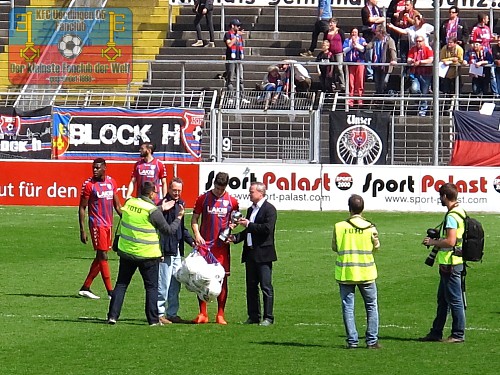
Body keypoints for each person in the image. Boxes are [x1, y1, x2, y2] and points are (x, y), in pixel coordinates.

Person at [107, 181, 184, 326]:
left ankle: (112, 316)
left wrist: (161, 207)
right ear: (151, 193)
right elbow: (168, 230)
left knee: (121, 284)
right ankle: (153, 320)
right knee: (151, 287)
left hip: (127, 252)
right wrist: (179, 217)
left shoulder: (129, 203)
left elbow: (142, 215)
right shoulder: (152, 210)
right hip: (147, 255)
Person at [332, 194, 381, 349]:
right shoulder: (370, 227)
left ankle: (352, 341)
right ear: (363, 208)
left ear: (349, 208)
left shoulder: (339, 226)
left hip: (346, 272)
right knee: (371, 306)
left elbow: (335, 247)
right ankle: (372, 341)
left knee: (348, 307)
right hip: (366, 273)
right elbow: (376, 247)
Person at [191, 171, 239, 324]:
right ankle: (203, 313)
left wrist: (232, 226)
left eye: (221, 189)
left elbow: (235, 219)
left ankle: (220, 314)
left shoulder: (232, 201)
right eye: (217, 188)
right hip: (205, 247)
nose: (219, 191)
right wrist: (197, 234)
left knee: (222, 280)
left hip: (221, 248)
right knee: (201, 279)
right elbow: (194, 219)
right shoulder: (203, 198)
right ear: (213, 185)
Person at [420, 183, 466, 343]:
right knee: (443, 299)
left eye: (441, 196)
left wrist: (433, 242)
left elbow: (451, 241)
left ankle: (458, 334)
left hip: (450, 263)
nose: (440, 199)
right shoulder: (460, 211)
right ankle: (436, 332)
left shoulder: (452, 216)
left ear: (445, 196)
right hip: (454, 261)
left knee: (454, 300)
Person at [230, 182, 278, 327]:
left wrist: (249, 225)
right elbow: (248, 230)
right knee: (251, 286)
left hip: (263, 253)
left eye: (252, 192)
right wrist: (236, 238)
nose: (249, 194)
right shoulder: (251, 209)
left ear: (260, 193)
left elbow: (266, 229)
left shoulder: (269, 209)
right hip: (250, 252)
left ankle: (268, 317)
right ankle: (253, 316)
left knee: (266, 286)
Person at [78, 158, 122, 300]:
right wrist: (82, 230)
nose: (95, 170)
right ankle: (111, 292)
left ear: (104, 168)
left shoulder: (111, 183)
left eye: (97, 168)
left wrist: (125, 217)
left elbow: (117, 205)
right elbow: (82, 207)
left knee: (100, 257)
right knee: (103, 256)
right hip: (96, 224)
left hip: (108, 224)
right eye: (93, 168)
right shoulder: (89, 185)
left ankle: (86, 287)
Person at [157, 177, 195, 325]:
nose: (177, 193)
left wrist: (191, 241)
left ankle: (172, 313)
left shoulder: (180, 204)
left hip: (177, 249)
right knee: (163, 284)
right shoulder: (163, 204)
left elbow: (181, 228)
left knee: (175, 283)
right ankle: (159, 313)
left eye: (179, 190)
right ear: (169, 189)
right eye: (174, 190)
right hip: (166, 250)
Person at [365, 24, 398, 95]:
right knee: (377, 83)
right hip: (377, 65)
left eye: (376, 31)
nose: (375, 33)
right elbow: (369, 46)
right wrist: (365, 45)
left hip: (385, 66)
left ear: (381, 32)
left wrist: (394, 59)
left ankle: (384, 97)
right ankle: (378, 98)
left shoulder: (389, 40)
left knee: (384, 82)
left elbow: (392, 50)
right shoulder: (375, 39)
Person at [407, 36, 434, 116]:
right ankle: (418, 101)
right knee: (415, 89)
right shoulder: (413, 49)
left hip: (426, 74)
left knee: (424, 92)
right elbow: (408, 59)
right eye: (417, 41)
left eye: (420, 41)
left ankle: (423, 110)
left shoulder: (428, 49)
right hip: (415, 73)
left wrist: (420, 62)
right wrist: (411, 60)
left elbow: (430, 59)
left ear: (423, 41)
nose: (418, 43)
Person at [361, 0, 385, 80]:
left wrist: (375, 20)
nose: (377, 1)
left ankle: (376, 72)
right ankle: (369, 74)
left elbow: (383, 18)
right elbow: (369, 20)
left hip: (377, 34)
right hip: (368, 35)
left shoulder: (377, 9)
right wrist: (377, 20)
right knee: (369, 54)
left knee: (377, 53)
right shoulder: (365, 9)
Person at [343, 28, 367, 107]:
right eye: (352, 32)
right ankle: (350, 100)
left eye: (355, 32)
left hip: (360, 62)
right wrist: (351, 46)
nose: (354, 34)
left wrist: (356, 44)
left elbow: (363, 49)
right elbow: (344, 50)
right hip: (350, 63)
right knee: (351, 82)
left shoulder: (361, 39)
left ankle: (360, 99)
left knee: (359, 82)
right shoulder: (347, 40)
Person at [224, 18, 247, 96]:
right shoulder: (228, 34)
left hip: (238, 59)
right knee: (230, 79)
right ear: (232, 26)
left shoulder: (239, 36)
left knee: (240, 79)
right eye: (237, 26)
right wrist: (236, 36)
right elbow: (229, 44)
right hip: (231, 59)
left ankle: (242, 96)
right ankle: (230, 96)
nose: (239, 27)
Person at [325, 18, 346, 91]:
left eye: (332, 22)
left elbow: (343, 40)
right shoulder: (327, 32)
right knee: (331, 69)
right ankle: (332, 85)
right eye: (330, 22)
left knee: (339, 68)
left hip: (338, 52)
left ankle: (342, 85)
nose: (330, 24)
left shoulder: (340, 31)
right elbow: (325, 41)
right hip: (330, 53)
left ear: (336, 23)